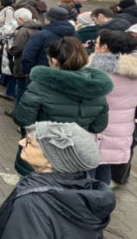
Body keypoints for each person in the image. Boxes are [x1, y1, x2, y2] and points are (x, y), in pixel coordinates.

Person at [0, 121, 115, 239]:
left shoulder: (31, 204)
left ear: (52, 160)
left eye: (30, 142)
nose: (22, 142)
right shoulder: (83, 192)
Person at [14, 37, 112, 175]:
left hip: (40, 153)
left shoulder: (40, 86)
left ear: (54, 60)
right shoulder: (96, 90)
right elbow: (98, 126)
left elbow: (23, 119)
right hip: (74, 156)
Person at [88, 30, 137, 185]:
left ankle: (84, 205)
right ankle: (102, 203)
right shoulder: (133, 70)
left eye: (97, 43)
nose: (94, 46)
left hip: (96, 128)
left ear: (105, 48)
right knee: (104, 167)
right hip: (122, 128)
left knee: (87, 170)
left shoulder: (97, 71)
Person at [21, 7, 78, 75]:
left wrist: (29, 72)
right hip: (67, 74)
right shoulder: (75, 34)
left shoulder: (41, 35)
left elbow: (28, 56)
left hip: (41, 74)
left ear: (49, 20)